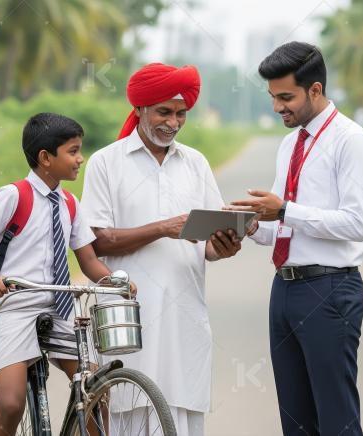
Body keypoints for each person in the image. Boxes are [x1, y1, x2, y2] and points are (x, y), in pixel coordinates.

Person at [80, 63, 242, 436]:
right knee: (129, 408)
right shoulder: (107, 162)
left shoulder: (195, 163)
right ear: (139, 109)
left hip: (184, 312)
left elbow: (207, 245)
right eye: (164, 112)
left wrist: (223, 246)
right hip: (129, 315)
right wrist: (163, 228)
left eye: (181, 113)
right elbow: (98, 240)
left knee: (181, 415)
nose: (173, 122)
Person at [227, 42, 363, 435]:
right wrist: (246, 225)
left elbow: (355, 224)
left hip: (330, 290)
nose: (278, 107)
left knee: (335, 418)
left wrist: (283, 210)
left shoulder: (352, 141)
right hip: (284, 290)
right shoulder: (289, 144)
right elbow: (281, 228)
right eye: (273, 97)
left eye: (286, 97)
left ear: (315, 90)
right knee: (295, 419)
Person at [0, 113, 137, 436]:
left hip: (59, 308)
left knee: (95, 391)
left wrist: (114, 282)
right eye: (72, 151)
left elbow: (87, 261)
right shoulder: (13, 196)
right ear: (45, 158)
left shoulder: (70, 203)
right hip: (13, 305)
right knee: (12, 403)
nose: (80, 159)